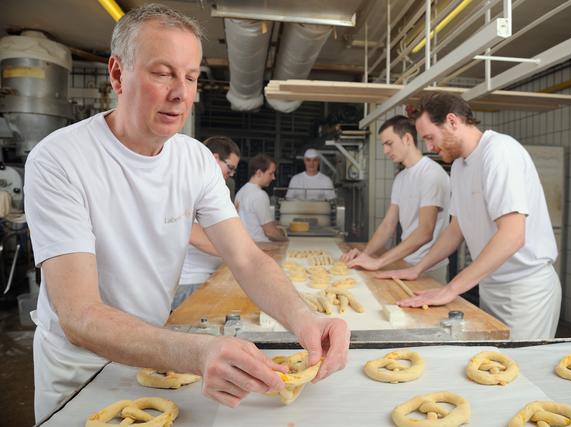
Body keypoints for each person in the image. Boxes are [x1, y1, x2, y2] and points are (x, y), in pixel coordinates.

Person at [24, 4, 349, 422]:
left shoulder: (194, 159)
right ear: (118, 74)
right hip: (79, 369)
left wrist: (305, 319)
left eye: (192, 77)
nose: (181, 92)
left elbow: (246, 258)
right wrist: (196, 351)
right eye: (162, 73)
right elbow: (79, 314)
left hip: (154, 355)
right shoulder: (61, 159)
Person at [377, 92, 561, 340]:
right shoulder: (459, 167)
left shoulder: (499, 153)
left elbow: (513, 235)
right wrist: (417, 268)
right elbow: (456, 229)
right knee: (491, 366)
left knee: (519, 371)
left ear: (453, 122)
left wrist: (451, 289)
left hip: (524, 291)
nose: (430, 147)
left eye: (430, 138)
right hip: (491, 285)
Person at [341, 116, 450, 283]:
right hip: (405, 261)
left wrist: (379, 261)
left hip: (429, 268)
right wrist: (365, 255)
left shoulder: (431, 174)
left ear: (407, 139)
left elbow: (425, 232)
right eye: (383, 145)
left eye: (389, 143)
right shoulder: (401, 178)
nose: (385, 151)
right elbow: (387, 225)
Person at [173, 136, 240, 310]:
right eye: (230, 168)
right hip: (189, 284)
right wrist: (240, 253)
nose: (230, 174)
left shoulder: (211, 191)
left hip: (204, 279)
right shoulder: (185, 186)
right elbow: (194, 235)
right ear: (214, 158)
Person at [235, 154, 288, 242]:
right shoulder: (259, 195)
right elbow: (270, 232)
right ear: (259, 172)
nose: (273, 177)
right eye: (270, 173)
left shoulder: (240, 192)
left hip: (245, 244)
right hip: (261, 246)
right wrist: (286, 241)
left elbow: (250, 221)